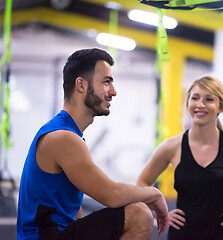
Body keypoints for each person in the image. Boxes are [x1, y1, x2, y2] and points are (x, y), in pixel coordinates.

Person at [17, 48, 169, 240]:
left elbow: (74, 211)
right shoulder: (62, 137)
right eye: (106, 82)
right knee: (138, 214)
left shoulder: (70, 134)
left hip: (60, 233)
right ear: (81, 84)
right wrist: (154, 193)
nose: (113, 91)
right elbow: (112, 194)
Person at [137, 75, 223, 240]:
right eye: (195, 98)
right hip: (183, 235)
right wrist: (160, 213)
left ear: (220, 107)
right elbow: (142, 183)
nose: (200, 104)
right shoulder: (171, 147)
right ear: (188, 103)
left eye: (209, 99)